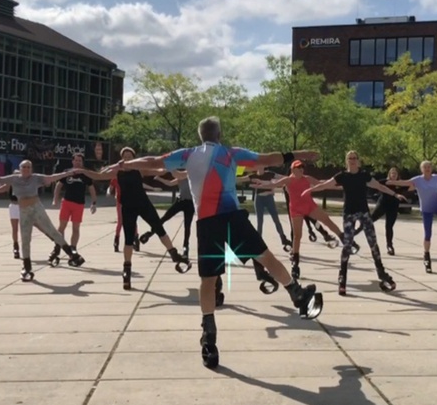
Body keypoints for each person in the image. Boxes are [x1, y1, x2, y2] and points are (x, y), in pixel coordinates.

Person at [110, 117, 323, 369]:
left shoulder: (187, 154)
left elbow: (152, 162)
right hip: (233, 218)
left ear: (201, 135)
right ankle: (295, 292)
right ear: (219, 134)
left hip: (207, 224)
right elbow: (268, 159)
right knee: (266, 257)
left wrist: (124, 163)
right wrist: (300, 154)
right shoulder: (231, 153)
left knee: (208, 282)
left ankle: (209, 339)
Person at [81, 147, 189, 291]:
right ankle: (127, 270)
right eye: (124, 155)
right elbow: (98, 176)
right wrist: (82, 171)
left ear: (134, 158)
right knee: (128, 239)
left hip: (144, 204)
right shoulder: (117, 171)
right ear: (121, 159)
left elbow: (158, 170)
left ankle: (174, 254)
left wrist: (173, 168)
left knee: (159, 228)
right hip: (128, 207)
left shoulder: (139, 169)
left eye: (130, 155)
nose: (127, 157)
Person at [305, 151, 406, 296]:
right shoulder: (342, 176)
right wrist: (310, 190)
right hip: (349, 214)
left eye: (354, 158)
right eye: (349, 158)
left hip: (364, 213)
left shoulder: (364, 175)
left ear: (358, 161)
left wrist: (395, 194)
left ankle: (382, 273)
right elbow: (325, 185)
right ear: (346, 161)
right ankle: (342, 277)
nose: (352, 160)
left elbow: (380, 187)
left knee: (373, 243)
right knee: (347, 245)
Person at [0, 160, 86, 281]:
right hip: (24, 210)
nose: (26, 169)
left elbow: (52, 177)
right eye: (24, 167)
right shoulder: (14, 179)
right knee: (25, 238)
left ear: (31, 169)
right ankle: (27, 267)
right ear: (20, 168)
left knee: (52, 232)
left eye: (29, 167)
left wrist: (68, 174)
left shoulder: (36, 178)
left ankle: (72, 255)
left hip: (37, 208)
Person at [251, 160, 345, 279]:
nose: (301, 169)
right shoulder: (288, 180)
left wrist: (340, 186)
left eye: (302, 168)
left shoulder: (307, 178)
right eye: (298, 167)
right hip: (296, 210)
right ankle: (295, 263)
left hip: (310, 206)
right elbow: (274, 184)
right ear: (292, 170)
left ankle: (343, 238)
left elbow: (321, 184)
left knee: (326, 220)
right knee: (297, 236)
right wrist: (261, 184)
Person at [49, 153, 97, 265]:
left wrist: (94, 202)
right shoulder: (67, 172)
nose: (77, 162)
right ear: (72, 161)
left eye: (80, 161)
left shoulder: (86, 174)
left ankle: (73, 248)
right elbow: (58, 185)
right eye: (76, 160)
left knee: (76, 228)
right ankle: (57, 247)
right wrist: (55, 199)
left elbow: (91, 188)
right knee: (62, 227)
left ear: (82, 162)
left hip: (79, 205)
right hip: (66, 203)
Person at [354, 167, 410, 256]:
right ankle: (355, 232)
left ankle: (389, 246)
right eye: (392, 173)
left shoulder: (400, 183)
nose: (393, 175)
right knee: (370, 220)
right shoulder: (384, 181)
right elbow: (373, 185)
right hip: (382, 205)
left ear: (398, 175)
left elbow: (411, 185)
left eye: (395, 173)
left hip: (393, 207)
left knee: (389, 226)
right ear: (389, 174)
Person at [145, 170, 194, 259]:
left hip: (190, 204)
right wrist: (159, 179)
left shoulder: (193, 175)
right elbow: (170, 183)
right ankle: (150, 233)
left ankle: (185, 248)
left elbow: (181, 175)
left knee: (187, 226)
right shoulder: (181, 176)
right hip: (180, 201)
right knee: (165, 218)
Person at [252, 166, 292, 252]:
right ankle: (258, 242)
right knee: (260, 221)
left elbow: (281, 177)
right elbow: (243, 179)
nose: (260, 168)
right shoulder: (254, 176)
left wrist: (292, 177)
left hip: (269, 199)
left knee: (276, 219)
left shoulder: (270, 174)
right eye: (258, 166)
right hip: (259, 199)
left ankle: (283, 239)